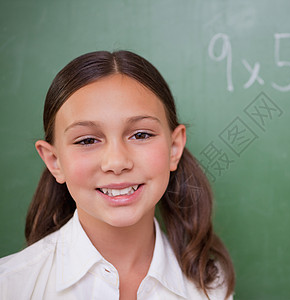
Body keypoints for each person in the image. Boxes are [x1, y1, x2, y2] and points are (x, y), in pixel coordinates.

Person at [0, 50, 235, 299]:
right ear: (54, 160)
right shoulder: (10, 285)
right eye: (87, 140)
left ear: (174, 147)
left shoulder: (210, 286)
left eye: (141, 135)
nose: (117, 162)